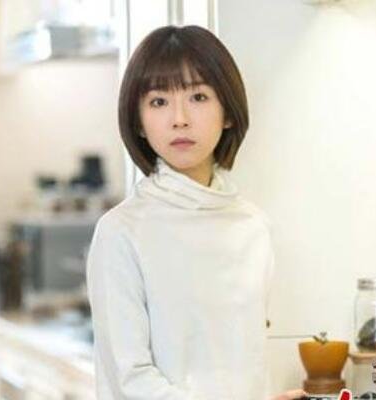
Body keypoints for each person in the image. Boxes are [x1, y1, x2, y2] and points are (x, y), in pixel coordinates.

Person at [86, 25, 307, 400]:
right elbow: (130, 380)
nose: (180, 118)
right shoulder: (120, 232)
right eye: (159, 101)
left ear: (228, 113)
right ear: (139, 122)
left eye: (198, 96)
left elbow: (246, 366)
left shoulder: (254, 227)